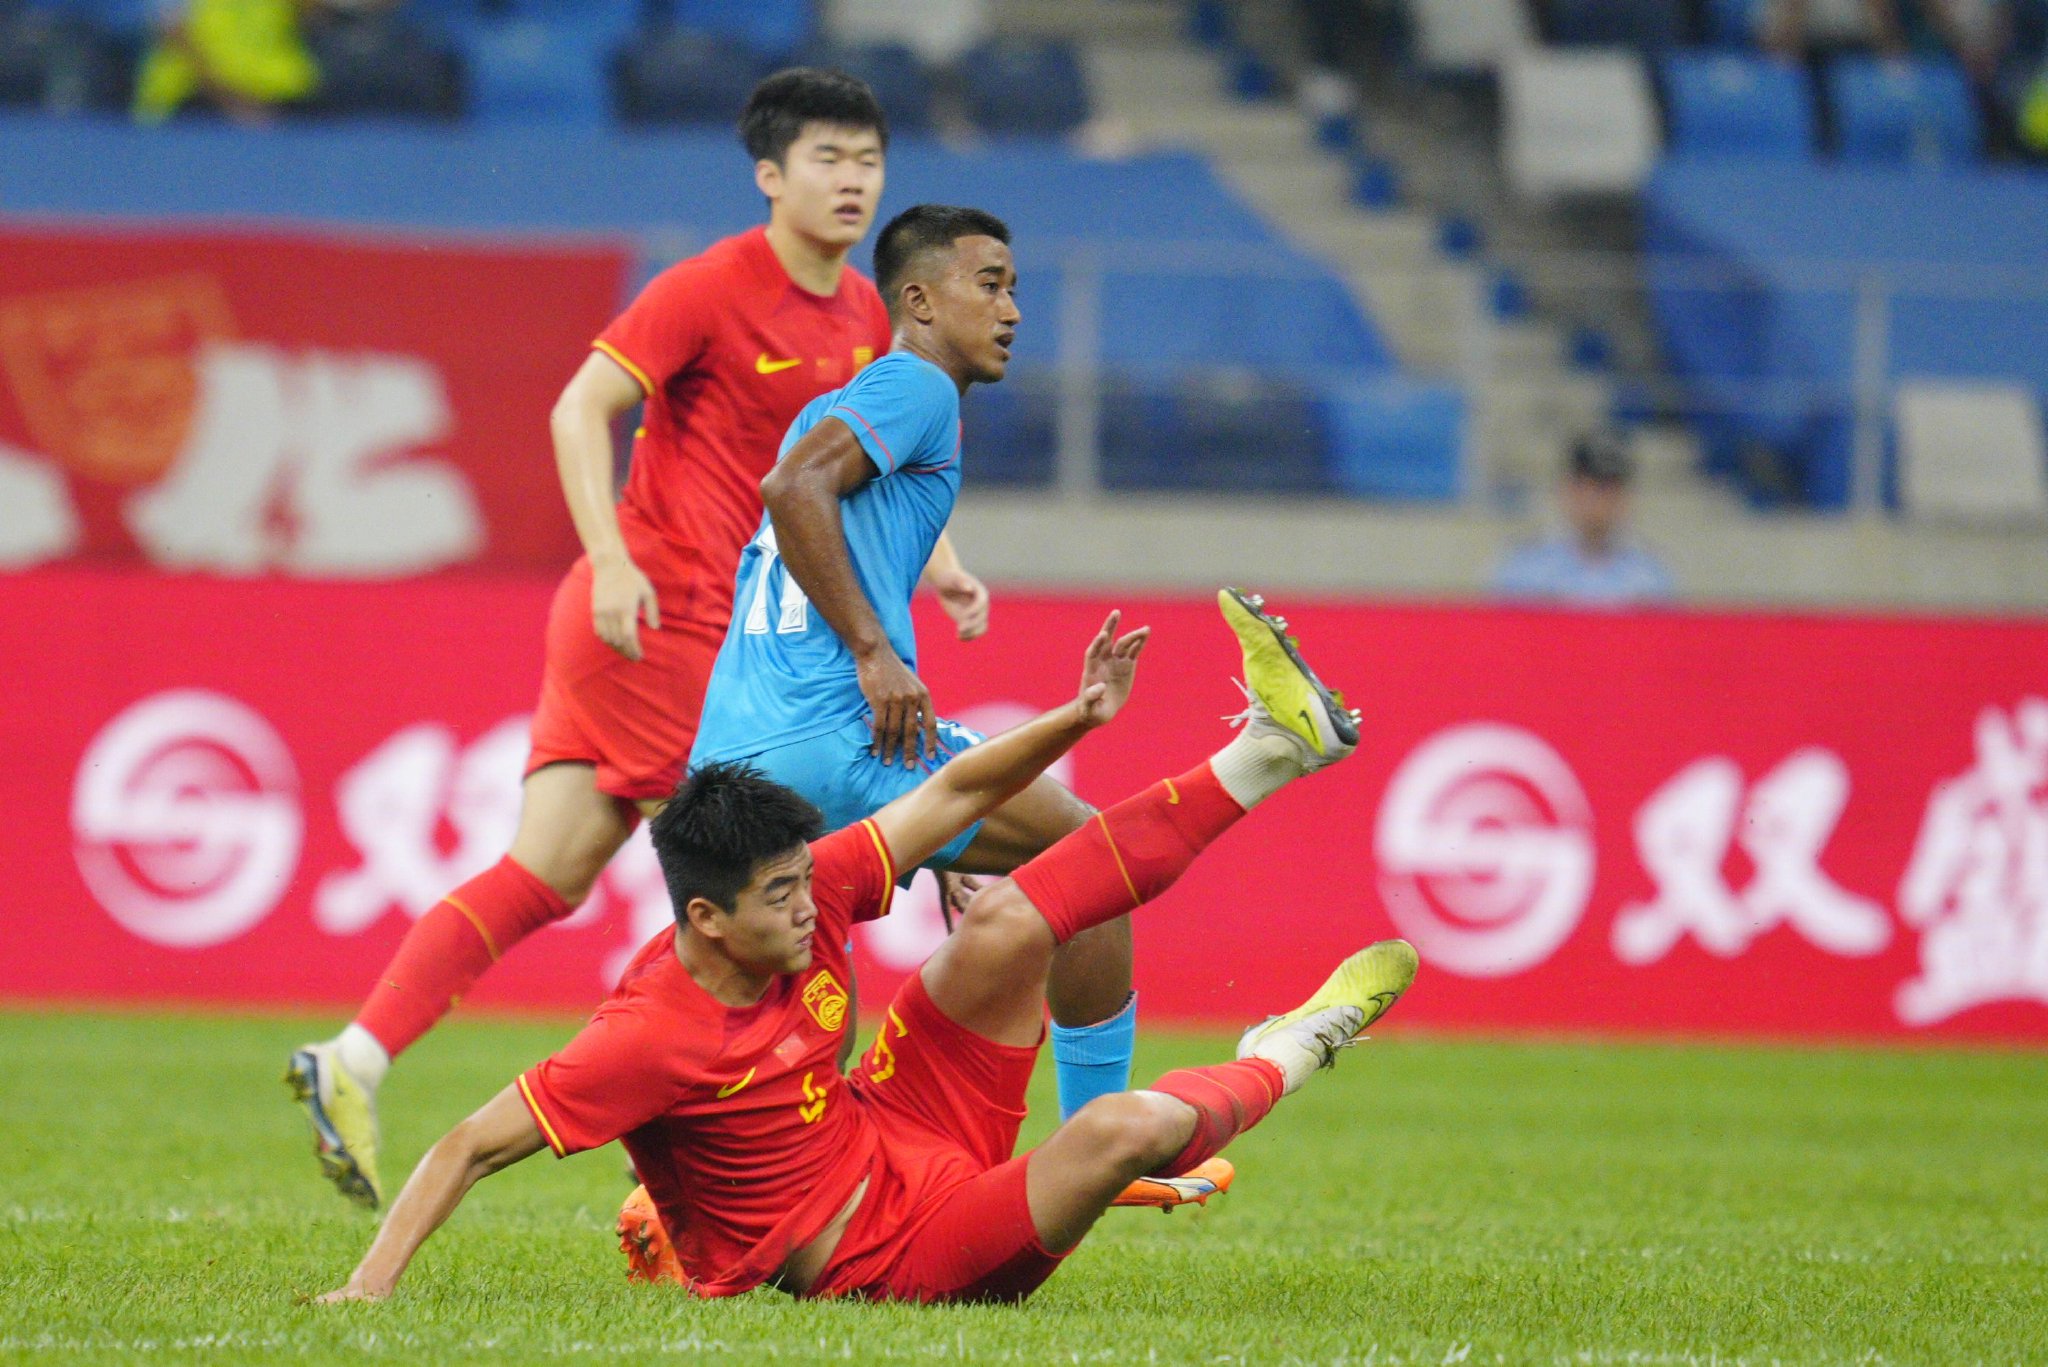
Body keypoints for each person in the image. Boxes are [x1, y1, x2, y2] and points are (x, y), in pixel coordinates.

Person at [285, 68, 989, 1210]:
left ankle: (354, 1057)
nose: (852, 180)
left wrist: (944, 566)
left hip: (699, 633)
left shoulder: (868, 314)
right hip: (666, 619)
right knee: (777, 878)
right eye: (827, 159)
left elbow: (858, 465)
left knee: (549, 869)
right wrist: (609, 556)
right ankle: (763, 1164)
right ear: (769, 175)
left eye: (867, 161)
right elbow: (578, 407)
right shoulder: (708, 287)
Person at [313, 589, 1415, 1306]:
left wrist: (1077, 716)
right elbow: (464, 1143)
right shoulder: (645, 1037)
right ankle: (1296, 1044)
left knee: (1007, 911)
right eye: (781, 895)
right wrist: (365, 1293)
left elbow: (951, 791)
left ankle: (1273, 749)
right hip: (883, 1253)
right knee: (1130, 1129)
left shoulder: (814, 883)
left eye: (806, 878)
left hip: (894, 1121)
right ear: (705, 920)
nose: (812, 908)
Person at [688, 203, 1175, 1203]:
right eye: (989, 283)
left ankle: (676, 1205)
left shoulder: (852, 405)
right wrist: (874, 651)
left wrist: (942, 812)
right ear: (917, 300)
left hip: (729, 758)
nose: (1011, 309)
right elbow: (793, 489)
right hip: (835, 744)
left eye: (1015, 287)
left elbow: (803, 498)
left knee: (776, 1055)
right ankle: (1098, 1139)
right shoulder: (915, 386)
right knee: (1091, 862)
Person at [1491, 431, 1676, 609]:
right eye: (1586, 486)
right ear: (1566, 490)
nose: (1596, 500)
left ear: (1625, 497)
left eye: (1608, 488)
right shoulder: (1526, 568)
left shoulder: (1649, 576)